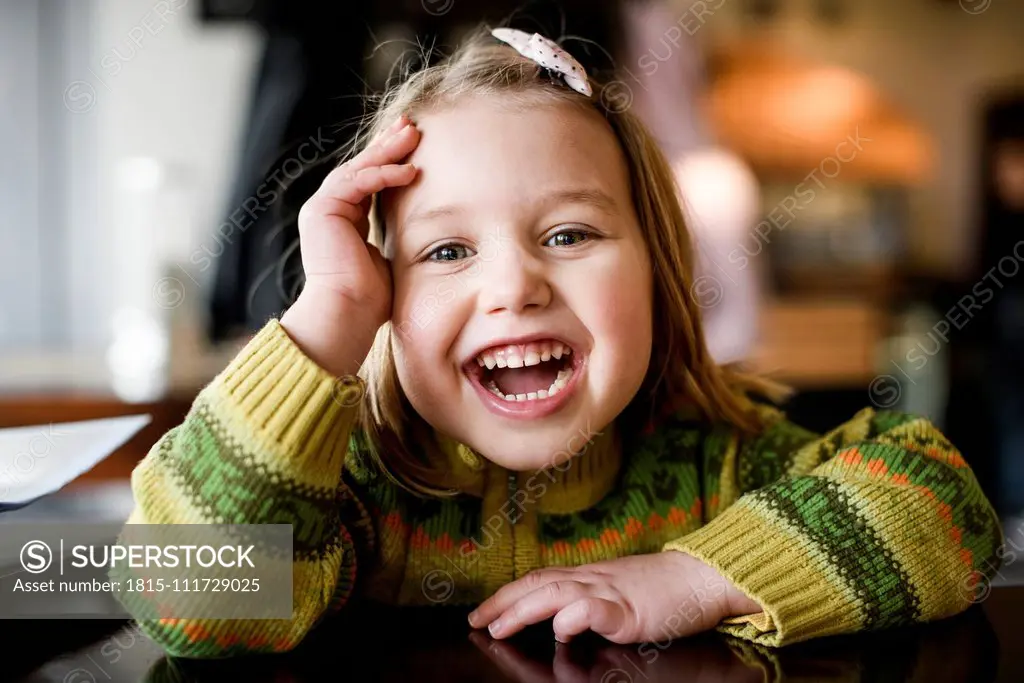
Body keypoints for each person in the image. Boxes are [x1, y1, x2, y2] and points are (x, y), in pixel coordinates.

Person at [114, 25, 1002, 658]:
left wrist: (695, 578)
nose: (513, 287)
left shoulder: (718, 464)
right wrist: (325, 318)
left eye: (569, 234)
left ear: (657, 269)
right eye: (448, 251)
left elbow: (951, 515)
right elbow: (189, 595)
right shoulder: (348, 491)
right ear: (385, 299)